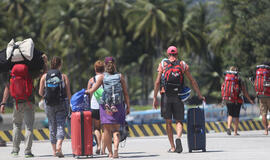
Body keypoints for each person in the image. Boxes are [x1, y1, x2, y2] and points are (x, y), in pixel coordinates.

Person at [153, 46, 205, 153]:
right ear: (177, 54)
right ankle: (178, 138)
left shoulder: (163, 64)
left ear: (168, 54)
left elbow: (157, 82)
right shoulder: (182, 64)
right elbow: (192, 81)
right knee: (179, 121)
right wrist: (199, 95)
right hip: (178, 95)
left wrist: (154, 98)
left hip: (165, 95)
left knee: (168, 122)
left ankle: (172, 147)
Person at [85, 57, 130, 158]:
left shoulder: (102, 78)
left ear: (105, 66)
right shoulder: (120, 76)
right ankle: (116, 149)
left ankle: (110, 153)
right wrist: (128, 107)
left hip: (106, 107)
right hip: (118, 106)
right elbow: (126, 93)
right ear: (114, 65)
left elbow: (92, 90)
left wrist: (85, 91)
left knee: (107, 131)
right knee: (116, 130)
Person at [39, 56, 71, 157]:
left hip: (48, 104)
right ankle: (59, 146)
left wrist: (47, 96)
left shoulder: (44, 76)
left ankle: (54, 151)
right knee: (61, 124)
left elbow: (40, 92)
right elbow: (68, 93)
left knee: (52, 126)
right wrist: (70, 104)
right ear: (60, 65)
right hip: (61, 103)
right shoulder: (63, 76)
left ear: (51, 64)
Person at [0, 75, 35, 157]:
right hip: (29, 102)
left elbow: (7, 88)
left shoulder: (12, 74)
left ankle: (15, 150)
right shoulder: (29, 71)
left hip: (17, 102)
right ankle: (27, 151)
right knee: (29, 126)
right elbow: (42, 73)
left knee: (16, 125)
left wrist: (3, 103)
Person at [222, 66, 254, 136]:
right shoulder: (239, 80)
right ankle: (235, 132)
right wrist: (250, 100)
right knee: (236, 116)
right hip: (237, 100)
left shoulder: (227, 79)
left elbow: (223, 88)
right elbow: (244, 91)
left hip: (228, 99)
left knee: (230, 114)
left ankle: (228, 127)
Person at [87, 60, 105, 155]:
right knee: (105, 128)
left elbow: (88, 94)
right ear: (104, 68)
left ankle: (98, 146)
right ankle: (104, 149)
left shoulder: (92, 80)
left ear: (95, 69)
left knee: (97, 128)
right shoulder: (106, 78)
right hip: (105, 106)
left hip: (94, 106)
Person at [254, 62, 270, 135]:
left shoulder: (258, 73)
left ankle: (266, 130)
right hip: (269, 95)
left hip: (261, 96)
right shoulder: (268, 72)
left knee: (263, 114)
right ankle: (269, 125)